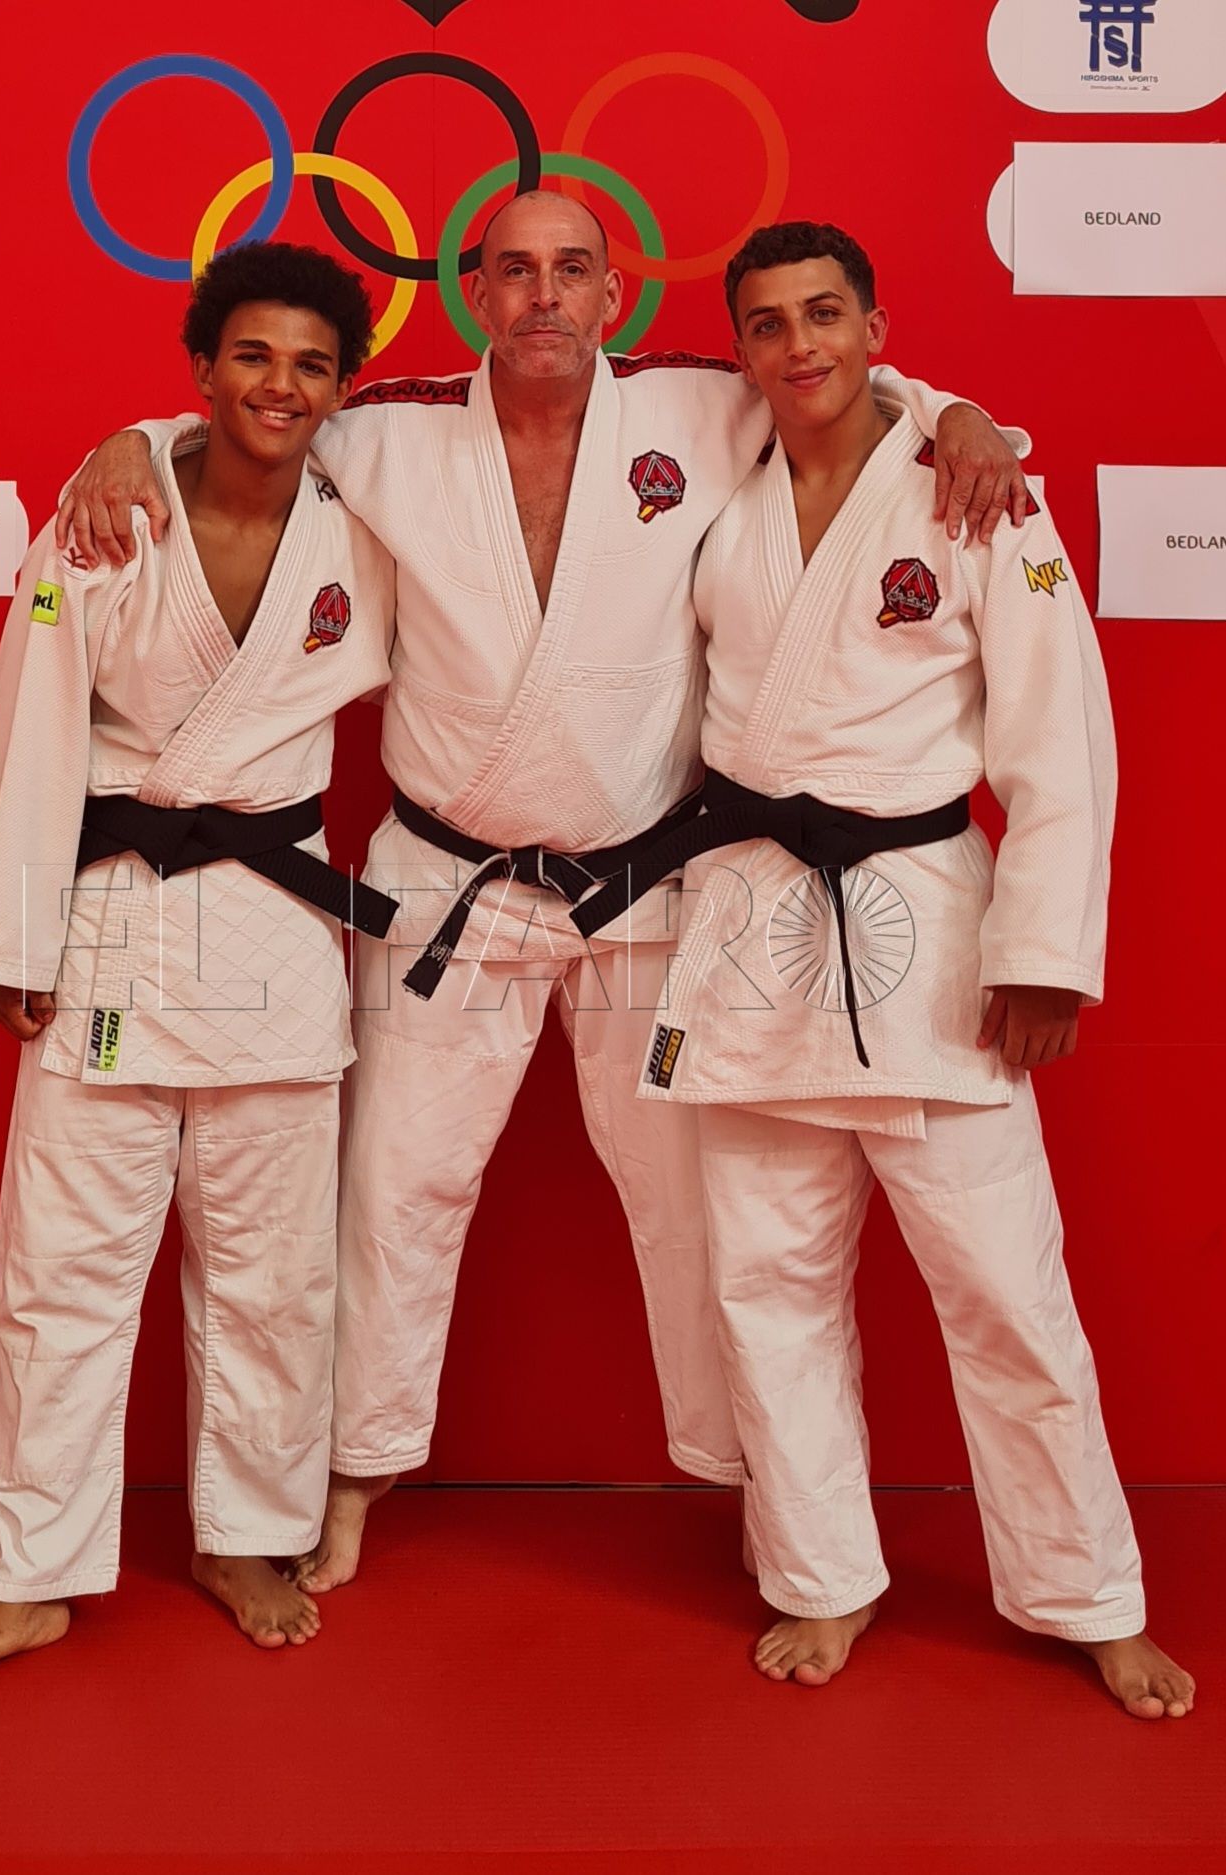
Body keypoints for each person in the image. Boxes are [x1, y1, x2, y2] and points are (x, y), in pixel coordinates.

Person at [60, 190, 1026, 1594]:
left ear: (614, 294)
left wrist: (961, 414)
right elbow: (246, 418)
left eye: (572, 270)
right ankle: (357, 1471)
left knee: (692, 1205)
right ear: (475, 292)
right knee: (395, 1189)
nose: (543, 297)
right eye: (514, 272)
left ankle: (750, 1481)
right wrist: (131, 444)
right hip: (445, 884)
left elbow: (845, 390)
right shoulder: (391, 430)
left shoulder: (701, 407)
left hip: (645, 887)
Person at [573, 220, 1194, 1719]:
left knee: (1006, 1293)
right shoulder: (716, 487)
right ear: (740, 350)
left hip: (925, 925)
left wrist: (1042, 952)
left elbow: (1059, 737)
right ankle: (822, 1575)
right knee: (767, 1281)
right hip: (747, 920)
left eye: (826, 314)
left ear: (875, 326)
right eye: (769, 323)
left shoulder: (973, 490)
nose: (801, 346)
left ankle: (1086, 1595)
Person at [0, 242, 398, 1702]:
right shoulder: (104, 522)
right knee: (59, 1276)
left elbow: (503, 439)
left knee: (275, 1275)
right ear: (202, 369)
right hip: (114, 919)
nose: (279, 385)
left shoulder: (367, 530)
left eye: (309, 364)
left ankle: (248, 1538)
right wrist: (19, 934)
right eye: (251, 355)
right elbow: (33, 722)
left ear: (340, 389)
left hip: (276, 932)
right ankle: (26, 1580)